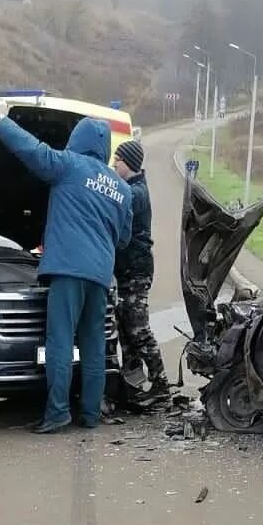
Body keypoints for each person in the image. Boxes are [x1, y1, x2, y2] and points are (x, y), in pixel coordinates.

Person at [0, 102, 132, 434]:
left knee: (60, 342)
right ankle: (91, 415)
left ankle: (57, 413)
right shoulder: (122, 190)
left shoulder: (69, 166)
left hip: (69, 270)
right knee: (94, 345)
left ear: (78, 140)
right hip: (100, 276)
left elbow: (34, 151)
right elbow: (123, 239)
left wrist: (2, 122)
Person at [110, 140, 167, 402]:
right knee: (124, 329)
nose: (113, 165)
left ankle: (160, 383)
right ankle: (133, 381)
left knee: (138, 330)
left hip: (136, 270)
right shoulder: (131, 188)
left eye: (117, 161)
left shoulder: (135, 194)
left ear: (129, 164)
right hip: (125, 270)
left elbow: (116, 203)